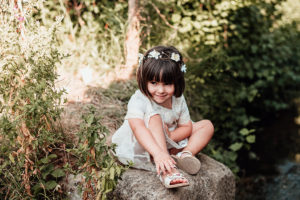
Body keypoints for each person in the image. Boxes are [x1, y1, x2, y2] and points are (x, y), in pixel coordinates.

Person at [112, 45, 214, 188]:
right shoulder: (139, 99)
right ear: (144, 80)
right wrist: (159, 153)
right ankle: (166, 170)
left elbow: (186, 127)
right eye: (154, 83)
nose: (160, 90)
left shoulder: (177, 99)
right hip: (144, 143)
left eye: (167, 84)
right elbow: (138, 128)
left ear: (176, 82)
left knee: (206, 125)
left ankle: (184, 155)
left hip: (169, 139)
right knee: (155, 117)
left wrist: (171, 136)